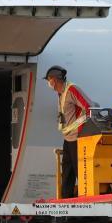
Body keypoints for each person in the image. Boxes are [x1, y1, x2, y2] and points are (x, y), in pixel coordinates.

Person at [45, 65, 92, 199]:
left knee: (80, 173)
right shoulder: (60, 93)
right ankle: (66, 202)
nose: (48, 83)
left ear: (55, 79)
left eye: (49, 79)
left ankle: (85, 202)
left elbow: (90, 108)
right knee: (67, 173)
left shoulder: (71, 89)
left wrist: (79, 128)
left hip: (78, 139)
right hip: (68, 139)